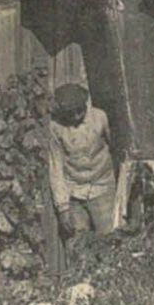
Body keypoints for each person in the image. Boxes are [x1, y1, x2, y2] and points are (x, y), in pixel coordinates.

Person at [48, 83, 118, 236]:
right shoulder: (56, 128)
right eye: (69, 113)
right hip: (75, 193)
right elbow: (56, 167)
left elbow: (116, 148)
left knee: (108, 239)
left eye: (79, 111)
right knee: (78, 244)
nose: (75, 117)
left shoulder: (100, 118)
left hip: (102, 188)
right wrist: (63, 207)